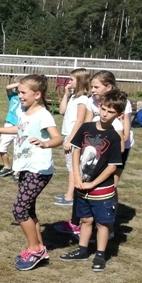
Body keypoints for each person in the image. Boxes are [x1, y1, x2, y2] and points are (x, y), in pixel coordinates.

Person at [0, 75, 63, 271]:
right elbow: (20, 129)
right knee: (28, 210)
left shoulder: (43, 115)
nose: (19, 95)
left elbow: (58, 138)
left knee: (19, 210)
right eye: (19, 91)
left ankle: (35, 249)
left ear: (37, 95)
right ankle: (39, 247)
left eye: (23, 92)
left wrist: (45, 143)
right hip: (25, 167)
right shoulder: (24, 111)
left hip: (39, 169)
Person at [59, 90, 125, 271]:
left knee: (102, 223)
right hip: (82, 185)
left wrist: (92, 184)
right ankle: (82, 250)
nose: (104, 114)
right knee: (85, 220)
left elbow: (112, 166)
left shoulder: (114, 137)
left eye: (110, 112)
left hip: (101, 189)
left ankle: (100, 255)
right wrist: (77, 177)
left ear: (118, 115)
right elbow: (76, 151)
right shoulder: (86, 127)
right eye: (103, 109)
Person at [54, 69, 92, 206]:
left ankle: (70, 197)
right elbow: (61, 111)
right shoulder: (74, 97)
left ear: (80, 81)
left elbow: (80, 121)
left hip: (74, 137)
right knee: (70, 167)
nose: (69, 82)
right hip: (68, 135)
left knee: (73, 168)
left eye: (71, 79)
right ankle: (68, 193)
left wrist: (71, 140)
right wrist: (66, 94)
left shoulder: (83, 100)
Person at [0, 80, 21, 178]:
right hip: (9, 125)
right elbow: (7, 87)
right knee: (1, 147)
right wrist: (19, 83)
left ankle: (17, 171)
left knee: (18, 150)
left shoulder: (27, 99)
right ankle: (6, 167)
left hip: (20, 127)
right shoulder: (13, 96)